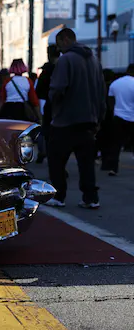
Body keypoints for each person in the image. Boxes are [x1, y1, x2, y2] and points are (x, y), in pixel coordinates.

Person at [45, 28, 106, 209]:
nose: (58, 49)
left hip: (65, 120)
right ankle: (90, 197)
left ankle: (58, 196)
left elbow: (58, 88)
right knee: (86, 163)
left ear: (65, 39)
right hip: (89, 120)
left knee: (56, 160)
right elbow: (101, 91)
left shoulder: (66, 60)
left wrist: (54, 105)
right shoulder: (94, 60)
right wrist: (99, 117)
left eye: (59, 44)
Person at [105, 64, 134, 176]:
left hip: (118, 117)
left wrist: (114, 112)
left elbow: (110, 100)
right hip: (132, 117)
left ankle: (113, 168)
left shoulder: (115, 83)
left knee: (116, 144)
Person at [35, 44, 62, 163]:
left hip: (50, 104)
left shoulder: (46, 71)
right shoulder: (63, 68)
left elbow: (39, 91)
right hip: (62, 105)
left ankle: (46, 153)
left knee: (47, 132)